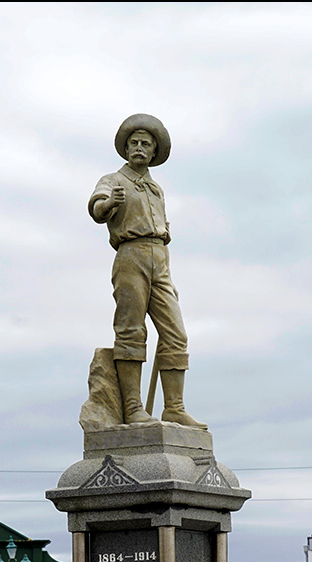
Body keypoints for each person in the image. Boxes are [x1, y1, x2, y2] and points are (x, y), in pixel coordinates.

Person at [88, 113, 206, 429]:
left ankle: (174, 408)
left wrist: (165, 271)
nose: (139, 148)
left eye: (145, 144)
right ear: (126, 149)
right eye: (134, 143)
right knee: (130, 329)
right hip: (131, 255)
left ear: (153, 152)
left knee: (176, 333)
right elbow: (97, 210)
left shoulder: (156, 189)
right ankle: (133, 408)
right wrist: (109, 202)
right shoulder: (114, 180)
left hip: (160, 259)